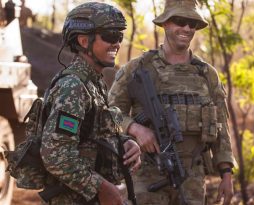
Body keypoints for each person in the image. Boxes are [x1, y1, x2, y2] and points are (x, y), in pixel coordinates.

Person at [108, 0, 235, 204]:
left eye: (192, 23)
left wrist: (227, 173)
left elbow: (221, 127)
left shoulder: (207, 74)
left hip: (191, 176)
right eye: (180, 21)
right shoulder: (137, 68)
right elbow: (109, 112)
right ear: (165, 23)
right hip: (145, 173)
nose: (186, 28)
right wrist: (135, 129)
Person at [40, 2, 141, 205]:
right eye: (110, 36)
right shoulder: (73, 86)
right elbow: (55, 153)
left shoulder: (93, 83)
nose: (117, 43)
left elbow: (92, 134)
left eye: (119, 36)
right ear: (84, 41)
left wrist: (124, 141)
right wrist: (103, 189)